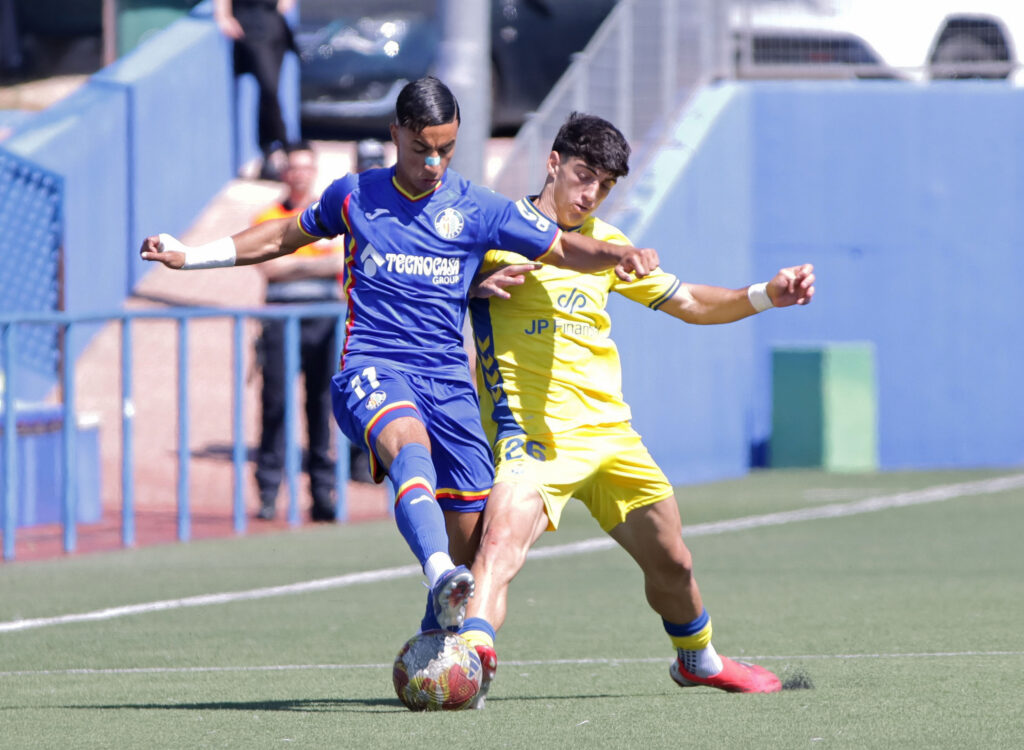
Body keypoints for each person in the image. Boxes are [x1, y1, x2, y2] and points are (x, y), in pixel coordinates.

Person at [139, 77, 660, 634]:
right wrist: (190, 255)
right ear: (395, 135)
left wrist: (618, 253)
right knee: (410, 448)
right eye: (421, 148)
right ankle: (436, 570)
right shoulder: (354, 195)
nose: (433, 162)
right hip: (375, 366)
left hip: (449, 382)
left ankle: (434, 639)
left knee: (473, 541)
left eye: (446, 149)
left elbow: (562, 247)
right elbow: (280, 237)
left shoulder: (478, 207)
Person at [456, 112, 815, 707]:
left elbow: (691, 302)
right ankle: (470, 659)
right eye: (583, 175)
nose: (590, 193)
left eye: (605, 185)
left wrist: (766, 295)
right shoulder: (498, 231)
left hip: (611, 437)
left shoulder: (608, 247)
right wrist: (468, 288)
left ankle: (698, 661)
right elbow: (424, 285)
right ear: (553, 162)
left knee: (674, 562)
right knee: (497, 548)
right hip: (535, 439)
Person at [251, 141, 344, 522]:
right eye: (294, 168)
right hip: (280, 322)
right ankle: (268, 492)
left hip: (324, 322)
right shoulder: (268, 217)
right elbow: (269, 267)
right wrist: (316, 262)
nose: (300, 175)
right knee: (275, 404)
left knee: (321, 405)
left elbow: (341, 261)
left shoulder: (331, 217)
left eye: (307, 167)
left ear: (314, 171)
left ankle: (322, 493)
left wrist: (291, 259)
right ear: (284, 173)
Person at [213, 0, 296, 180]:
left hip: (274, 22)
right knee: (268, 87)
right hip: (248, 24)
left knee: (269, 93)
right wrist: (223, 16)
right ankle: (283, 145)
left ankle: (269, 151)